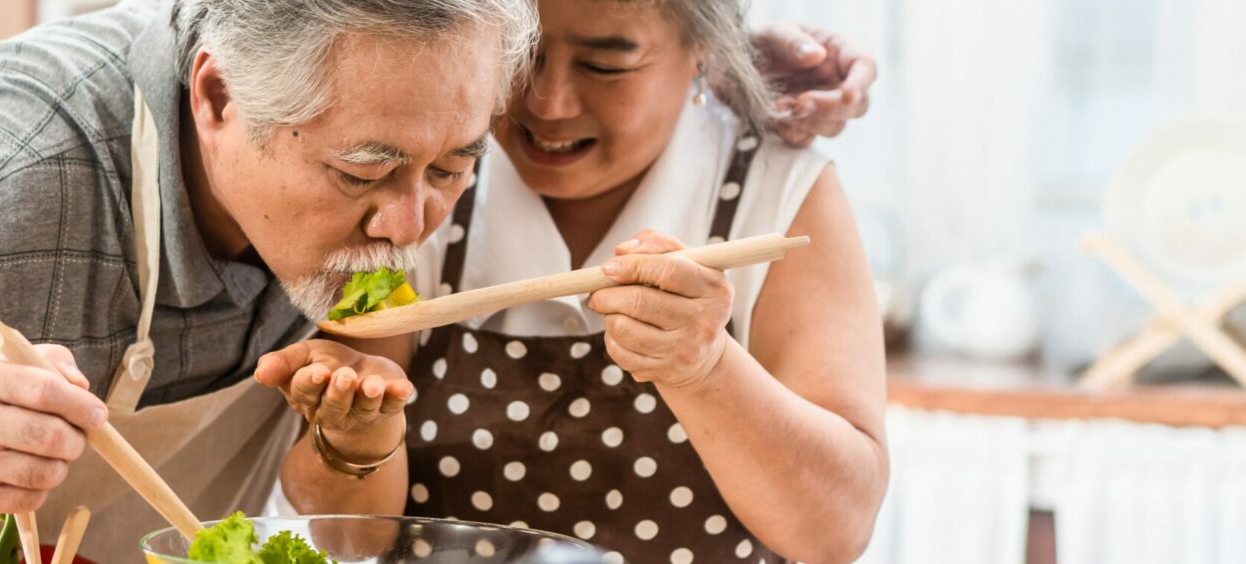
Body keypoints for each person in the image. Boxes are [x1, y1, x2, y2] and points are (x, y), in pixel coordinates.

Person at [0, 0, 872, 560]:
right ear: (215, 98)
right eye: (369, 165)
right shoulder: (14, 163)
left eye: (455, 165)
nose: (412, 224)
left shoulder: (428, 118)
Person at [256, 1, 885, 563]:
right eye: (520, 55)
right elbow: (348, 540)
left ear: (704, 54)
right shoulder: (428, 178)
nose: (548, 103)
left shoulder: (776, 190)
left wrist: (706, 368)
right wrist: (356, 433)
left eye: (605, 67)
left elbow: (835, 532)